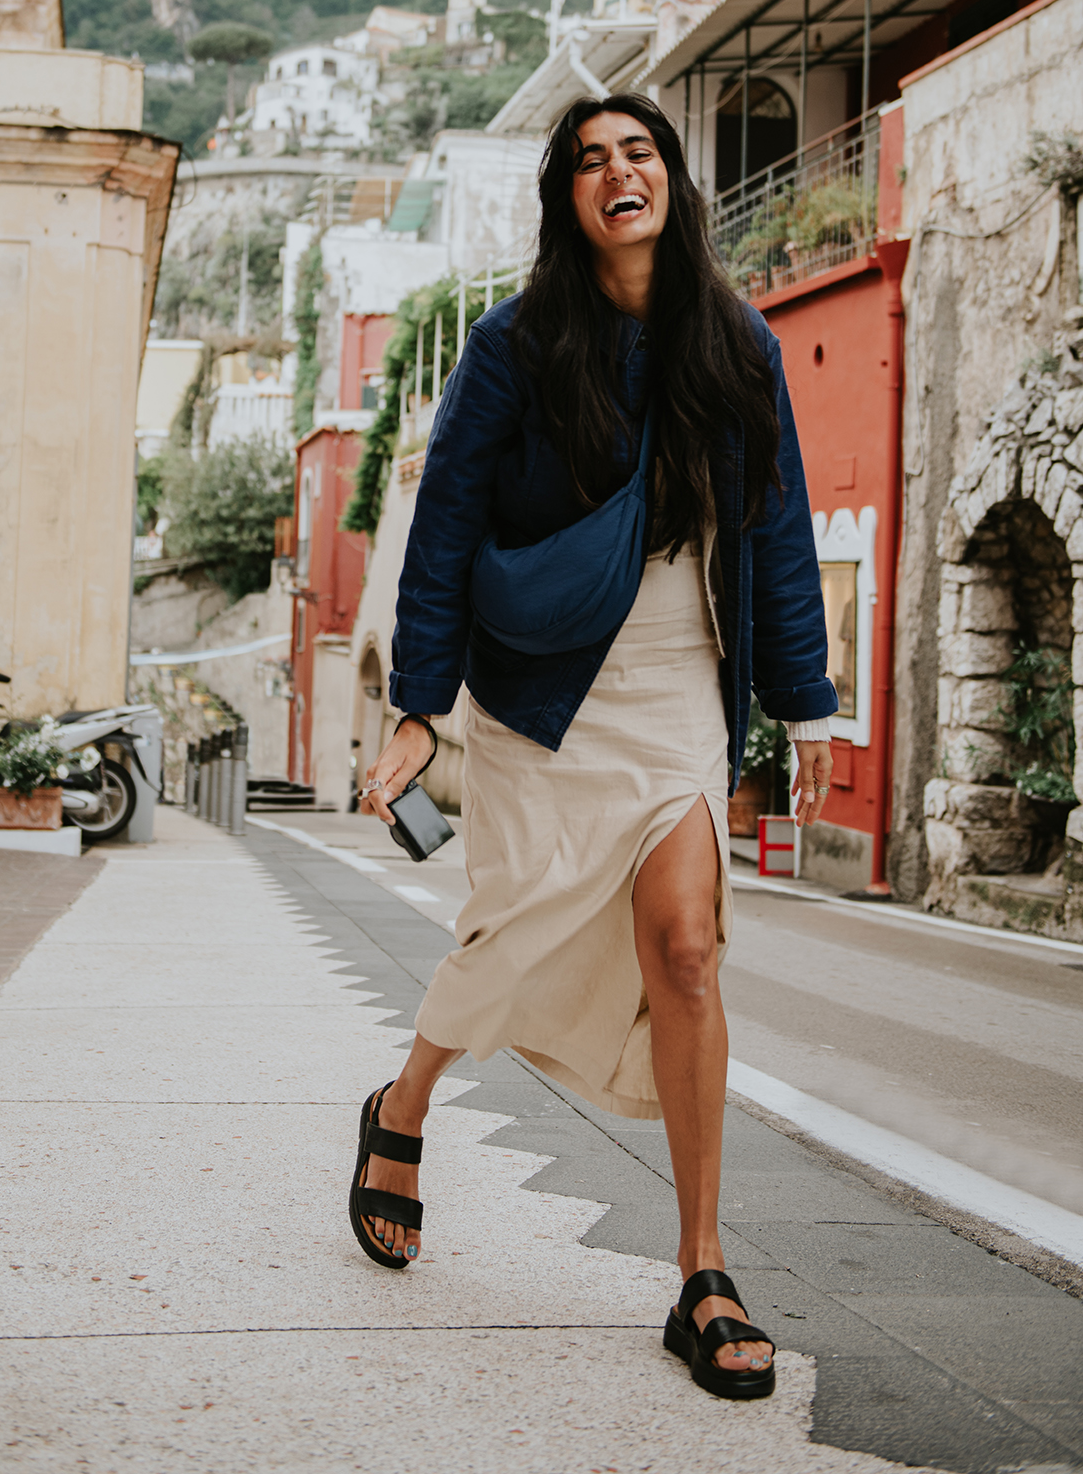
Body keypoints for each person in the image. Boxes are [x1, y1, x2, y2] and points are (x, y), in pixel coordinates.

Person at [348, 94, 836, 1403]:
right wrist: (418, 701)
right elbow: (445, 519)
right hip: (542, 688)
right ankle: (400, 1107)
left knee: (684, 943)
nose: (618, 173)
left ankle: (699, 1270)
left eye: (638, 152)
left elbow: (776, 530)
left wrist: (803, 704)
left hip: (679, 678)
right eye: (587, 161)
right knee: (510, 930)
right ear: (567, 202)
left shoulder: (735, 344)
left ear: (669, 181)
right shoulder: (517, 346)